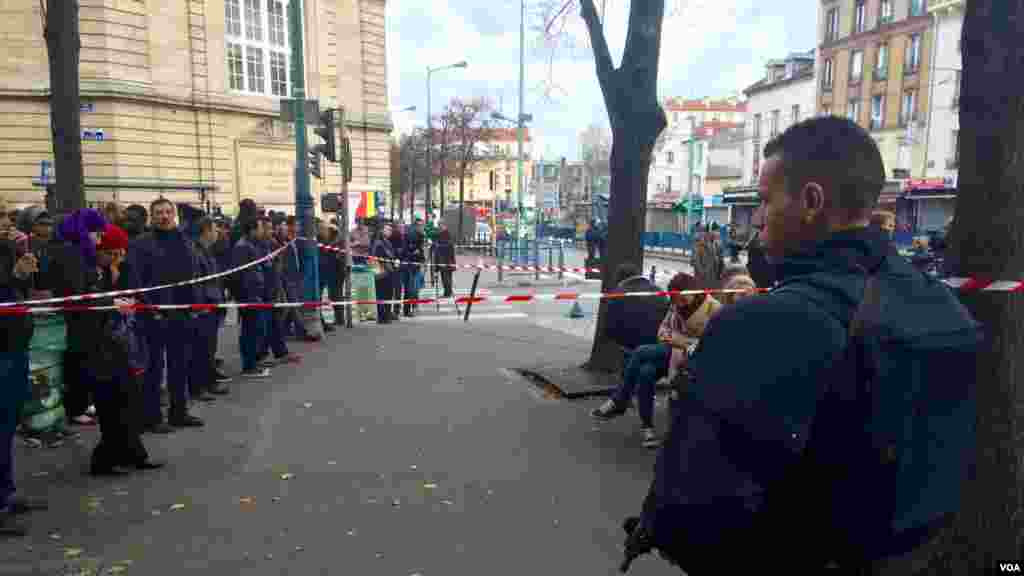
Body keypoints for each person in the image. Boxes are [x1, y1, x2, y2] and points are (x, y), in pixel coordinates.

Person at [624, 116, 980, 573]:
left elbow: (696, 505)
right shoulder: (942, 307)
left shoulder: (764, 324)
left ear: (811, 202)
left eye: (766, 201)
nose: (757, 218)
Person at [592, 272, 720, 449]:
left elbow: (711, 342)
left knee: (641, 351)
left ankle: (620, 399)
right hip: (673, 354)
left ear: (694, 290)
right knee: (646, 371)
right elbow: (662, 332)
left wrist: (679, 339)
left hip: (693, 359)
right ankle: (647, 428)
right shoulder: (675, 307)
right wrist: (679, 339)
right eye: (674, 298)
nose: (678, 302)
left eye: (682, 297)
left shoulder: (713, 308)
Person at [87, 224, 164, 476]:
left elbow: (138, 295)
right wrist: (114, 302)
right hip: (100, 346)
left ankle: (134, 453)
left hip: (126, 344)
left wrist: (150, 311)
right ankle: (104, 459)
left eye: (121, 252)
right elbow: (88, 305)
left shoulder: (123, 269)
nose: (118, 257)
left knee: (130, 402)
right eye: (112, 252)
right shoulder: (92, 272)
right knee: (112, 407)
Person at [131, 198, 203, 431]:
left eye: (168, 212)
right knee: (153, 369)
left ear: (174, 215)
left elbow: (194, 275)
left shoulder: (185, 240)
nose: (164, 216)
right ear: (152, 217)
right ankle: (152, 417)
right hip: (154, 314)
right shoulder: (141, 243)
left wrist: (195, 306)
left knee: (179, 365)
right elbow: (137, 280)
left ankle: (179, 412)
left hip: (181, 313)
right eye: (159, 213)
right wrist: (150, 309)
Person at [0, 203, 47, 536]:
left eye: (5, 216)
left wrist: (24, 274)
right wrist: (13, 277)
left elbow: (20, 292)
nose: (6, 222)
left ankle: (6, 491)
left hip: (14, 344)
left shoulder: (8, 249)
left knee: (7, 423)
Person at [55, 208, 107, 428]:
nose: (99, 238)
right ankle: (76, 407)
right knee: (77, 363)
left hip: (82, 319)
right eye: (96, 233)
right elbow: (77, 292)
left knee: (84, 362)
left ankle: (82, 403)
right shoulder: (73, 253)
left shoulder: (76, 251)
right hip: (77, 320)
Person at [191, 216, 230, 398]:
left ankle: (208, 381)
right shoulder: (196, 252)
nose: (218, 233)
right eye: (214, 230)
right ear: (206, 231)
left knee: (209, 347)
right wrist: (201, 306)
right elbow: (198, 282)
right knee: (201, 349)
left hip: (212, 303)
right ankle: (199, 387)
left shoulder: (206, 251)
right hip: (204, 307)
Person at [232, 214, 272, 379]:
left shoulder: (250, 244)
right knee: (251, 330)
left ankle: (253, 361)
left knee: (257, 329)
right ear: (253, 229)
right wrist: (249, 295)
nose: (262, 230)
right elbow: (241, 274)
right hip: (249, 296)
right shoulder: (243, 247)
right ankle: (248, 365)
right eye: (260, 227)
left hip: (254, 293)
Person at [371, 223, 397, 324]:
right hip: (382, 272)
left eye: (390, 230)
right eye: (387, 229)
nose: (389, 231)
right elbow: (383, 257)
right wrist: (390, 266)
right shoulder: (379, 243)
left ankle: (386, 314)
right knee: (382, 294)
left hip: (386, 271)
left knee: (387, 294)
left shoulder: (386, 242)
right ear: (381, 230)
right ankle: (383, 316)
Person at [401, 218, 425, 317]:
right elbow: (406, 250)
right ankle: (409, 309)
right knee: (410, 288)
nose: (421, 227)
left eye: (422, 225)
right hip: (410, 265)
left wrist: (422, 258)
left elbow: (420, 250)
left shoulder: (420, 235)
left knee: (414, 287)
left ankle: (412, 307)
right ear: (415, 226)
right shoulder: (411, 235)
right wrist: (413, 253)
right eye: (420, 225)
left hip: (416, 264)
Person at [432, 225, 456, 298]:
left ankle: (447, 292)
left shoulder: (443, 235)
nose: (439, 227)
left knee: (445, 277)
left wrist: (436, 245)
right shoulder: (448, 235)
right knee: (448, 277)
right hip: (448, 260)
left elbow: (442, 247)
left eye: (440, 226)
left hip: (444, 260)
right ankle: (448, 291)